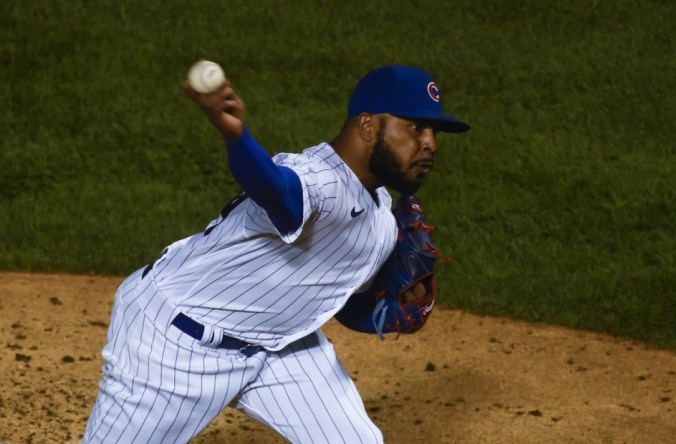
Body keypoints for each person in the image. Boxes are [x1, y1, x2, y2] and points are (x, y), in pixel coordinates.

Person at [82, 64, 470, 443]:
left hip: (278, 346)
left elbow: (342, 302)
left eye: (435, 132)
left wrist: (384, 310)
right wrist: (237, 138)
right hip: (175, 343)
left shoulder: (382, 219)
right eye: (415, 127)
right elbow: (276, 190)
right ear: (368, 126)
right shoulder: (318, 179)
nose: (430, 143)